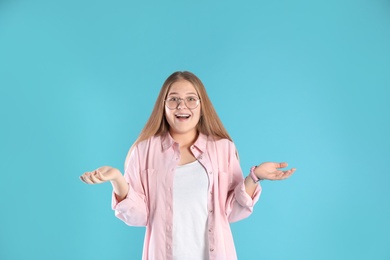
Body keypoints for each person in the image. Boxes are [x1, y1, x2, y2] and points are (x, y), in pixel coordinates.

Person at [80, 71, 296, 260]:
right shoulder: (144, 151)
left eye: (191, 99)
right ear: (163, 106)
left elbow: (232, 211)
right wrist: (118, 179)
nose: (182, 106)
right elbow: (140, 216)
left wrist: (255, 176)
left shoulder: (223, 149)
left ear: (202, 106)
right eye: (173, 99)